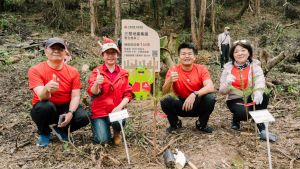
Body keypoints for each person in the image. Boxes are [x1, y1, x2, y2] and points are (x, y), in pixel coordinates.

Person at [28, 37, 90, 147]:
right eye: (53, 48)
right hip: (46, 106)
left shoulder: (73, 71)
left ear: (65, 52)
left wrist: (70, 113)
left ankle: (60, 130)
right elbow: (41, 97)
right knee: (44, 107)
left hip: (65, 106)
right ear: (46, 50)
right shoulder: (35, 70)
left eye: (60, 48)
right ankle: (44, 133)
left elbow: (75, 96)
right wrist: (47, 89)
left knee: (84, 117)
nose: (56, 51)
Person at [219, 40, 276, 142]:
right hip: (235, 99)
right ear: (233, 54)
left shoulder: (255, 67)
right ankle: (236, 119)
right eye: (236, 51)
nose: (240, 53)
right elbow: (222, 91)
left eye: (243, 50)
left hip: (251, 96)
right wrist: (227, 83)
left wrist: (258, 92)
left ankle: (261, 126)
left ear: (249, 52)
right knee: (243, 114)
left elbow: (260, 81)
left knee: (264, 93)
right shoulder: (228, 68)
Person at [160, 42, 216, 134]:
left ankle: (201, 124)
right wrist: (169, 80)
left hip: (197, 104)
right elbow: (164, 92)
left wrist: (194, 94)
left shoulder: (201, 69)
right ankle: (175, 123)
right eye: (183, 54)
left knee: (210, 98)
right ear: (179, 57)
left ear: (195, 57)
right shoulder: (173, 69)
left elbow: (210, 87)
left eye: (190, 54)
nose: (187, 56)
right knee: (165, 99)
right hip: (180, 105)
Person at [87, 40, 132, 145]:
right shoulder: (97, 72)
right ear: (103, 56)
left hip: (116, 110)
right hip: (100, 112)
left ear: (117, 55)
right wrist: (97, 83)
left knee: (120, 118)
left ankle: (117, 132)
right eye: (107, 53)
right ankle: (102, 126)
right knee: (102, 141)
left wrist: (120, 106)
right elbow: (93, 92)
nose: (110, 56)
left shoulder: (124, 73)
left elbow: (128, 94)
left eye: (113, 53)